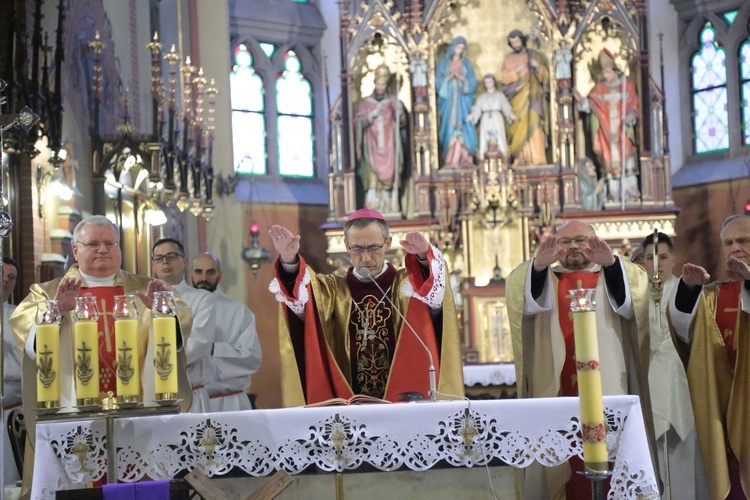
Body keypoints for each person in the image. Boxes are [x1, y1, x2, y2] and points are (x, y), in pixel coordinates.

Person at [9, 216, 192, 495]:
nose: (103, 249)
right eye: (93, 243)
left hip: (138, 409)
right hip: (73, 411)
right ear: (75, 250)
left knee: (138, 484)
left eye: (110, 243)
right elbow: (28, 341)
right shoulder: (46, 293)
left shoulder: (145, 289)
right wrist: (55, 310)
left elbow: (179, 331)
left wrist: (163, 311)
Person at [505, 220, 655, 499]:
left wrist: (611, 265)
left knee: (612, 454)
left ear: (596, 242)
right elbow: (521, 304)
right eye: (565, 241)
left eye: (581, 240)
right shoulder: (543, 278)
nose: (573, 246)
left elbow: (633, 309)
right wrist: (538, 267)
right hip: (554, 384)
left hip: (607, 386)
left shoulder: (618, 273)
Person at [267, 208, 464, 406]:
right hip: (348, 406)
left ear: (387, 244)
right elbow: (303, 307)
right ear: (347, 246)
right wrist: (289, 260)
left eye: (373, 248)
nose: (366, 258)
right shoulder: (334, 291)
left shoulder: (408, 286)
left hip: (403, 403)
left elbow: (435, 299)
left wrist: (423, 257)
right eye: (358, 249)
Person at [668, 214, 750, 499]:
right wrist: (689, 291)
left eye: (743, 240)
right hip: (720, 407)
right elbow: (682, 331)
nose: (735, 248)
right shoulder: (713, 295)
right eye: (728, 243)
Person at [642, 232, 698, 499]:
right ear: (642, 262)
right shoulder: (635, 296)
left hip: (680, 384)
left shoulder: (685, 291)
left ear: (674, 259)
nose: (657, 263)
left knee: (682, 463)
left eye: (663, 257)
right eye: (650, 258)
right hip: (646, 386)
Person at [151, 238, 216, 413]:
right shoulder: (145, 300)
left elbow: (199, 343)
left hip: (192, 394)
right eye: (158, 258)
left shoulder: (202, 298)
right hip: (153, 395)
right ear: (153, 265)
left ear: (185, 261)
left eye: (171, 256)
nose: (165, 261)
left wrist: (159, 362)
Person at [191, 253, 262, 411]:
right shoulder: (182, 309)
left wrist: (214, 349)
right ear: (190, 274)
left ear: (219, 275)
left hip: (230, 403)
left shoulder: (239, 312)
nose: (204, 277)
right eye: (198, 272)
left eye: (210, 272)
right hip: (194, 404)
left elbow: (252, 358)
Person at [574, 49, 640, 203]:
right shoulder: (599, 88)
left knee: (627, 157)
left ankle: (631, 194)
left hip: (622, 130)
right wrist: (581, 101)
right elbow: (590, 104)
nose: (605, 76)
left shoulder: (628, 85)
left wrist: (631, 114)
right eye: (603, 72)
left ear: (616, 70)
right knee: (609, 160)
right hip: (606, 132)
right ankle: (613, 196)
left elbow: (634, 104)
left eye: (608, 72)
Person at [354, 64, 407, 213]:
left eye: (383, 84)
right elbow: (357, 122)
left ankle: (390, 205)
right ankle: (372, 205)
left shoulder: (392, 102)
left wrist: (400, 112)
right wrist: (370, 116)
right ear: (374, 83)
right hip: (372, 144)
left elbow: (403, 124)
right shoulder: (366, 103)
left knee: (392, 169)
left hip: (390, 144)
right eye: (378, 83)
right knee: (371, 173)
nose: (380, 86)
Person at [500, 29, 549, 167]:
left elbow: (547, 78)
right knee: (517, 128)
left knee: (534, 123)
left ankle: (537, 158)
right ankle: (521, 158)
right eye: (512, 42)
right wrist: (516, 72)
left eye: (517, 41)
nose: (515, 44)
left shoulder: (534, 56)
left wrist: (537, 67)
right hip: (516, 98)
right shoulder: (509, 59)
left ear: (522, 40)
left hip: (533, 97)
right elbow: (504, 78)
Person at [436, 36, 477, 168]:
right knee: (449, 128)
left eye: (462, 48)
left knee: (464, 127)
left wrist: (462, 79)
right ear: (453, 48)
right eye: (458, 47)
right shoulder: (443, 64)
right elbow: (437, 83)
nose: (459, 50)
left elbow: (472, 82)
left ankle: (464, 158)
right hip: (448, 101)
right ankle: (450, 159)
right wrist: (448, 78)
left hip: (463, 101)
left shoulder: (466, 64)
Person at [466, 74, 516, 160]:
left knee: (499, 137)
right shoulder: (481, 97)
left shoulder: (499, 95)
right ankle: (483, 157)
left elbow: (506, 106)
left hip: (497, 118)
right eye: (486, 82)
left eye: (490, 82)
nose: (488, 84)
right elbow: (477, 108)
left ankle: (503, 156)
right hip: (485, 119)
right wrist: (473, 115)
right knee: (485, 138)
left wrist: (510, 113)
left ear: (494, 83)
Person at [2, 257, 20, 485]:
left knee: (9, 481)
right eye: (2, 275)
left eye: (11, 278)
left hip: (11, 412)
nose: (5, 281)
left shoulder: (19, 316)